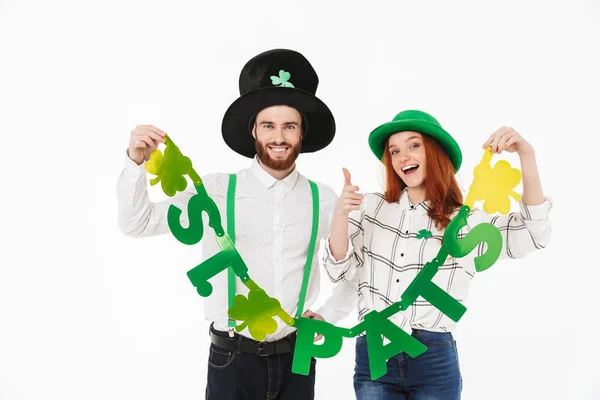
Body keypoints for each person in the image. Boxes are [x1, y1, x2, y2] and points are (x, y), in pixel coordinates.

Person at [117, 48, 356, 400]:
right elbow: (137, 224)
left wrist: (329, 314)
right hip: (232, 359)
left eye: (289, 126)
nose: (279, 137)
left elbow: (354, 270)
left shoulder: (323, 198)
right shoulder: (215, 189)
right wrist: (134, 165)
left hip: (298, 357)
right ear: (253, 132)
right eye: (268, 126)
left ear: (302, 133)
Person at [320, 109, 552, 399]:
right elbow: (338, 271)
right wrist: (341, 216)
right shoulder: (371, 208)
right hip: (375, 354)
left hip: (433, 358)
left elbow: (533, 234)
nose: (403, 156)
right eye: (395, 151)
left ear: (435, 152)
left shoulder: (465, 222)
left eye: (414, 145)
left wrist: (526, 156)